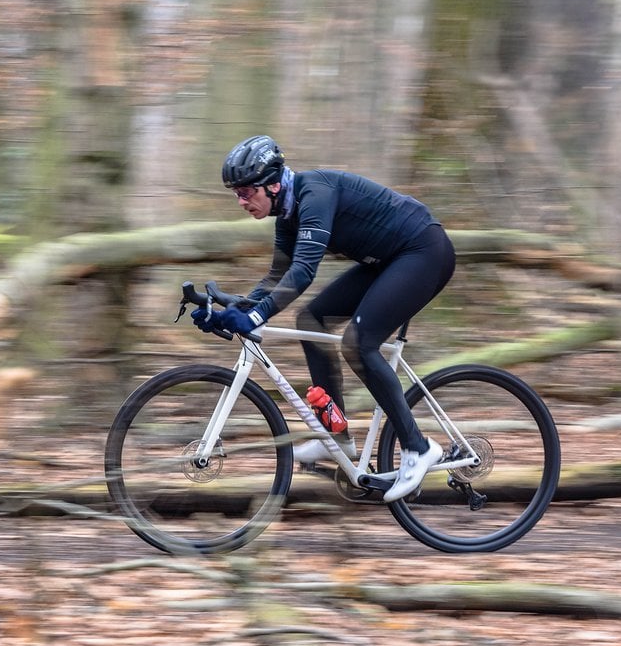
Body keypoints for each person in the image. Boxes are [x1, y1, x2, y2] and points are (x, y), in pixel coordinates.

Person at [192, 135, 456, 502]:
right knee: (310, 320)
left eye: (246, 191)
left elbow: (302, 272)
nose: (241, 200)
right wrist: (236, 309)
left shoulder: (314, 194)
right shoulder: (285, 214)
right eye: (235, 193)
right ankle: (337, 437)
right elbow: (276, 276)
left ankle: (418, 447)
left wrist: (256, 314)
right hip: (388, 261)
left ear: (272, 182)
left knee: (360, 344)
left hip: (424, 251)